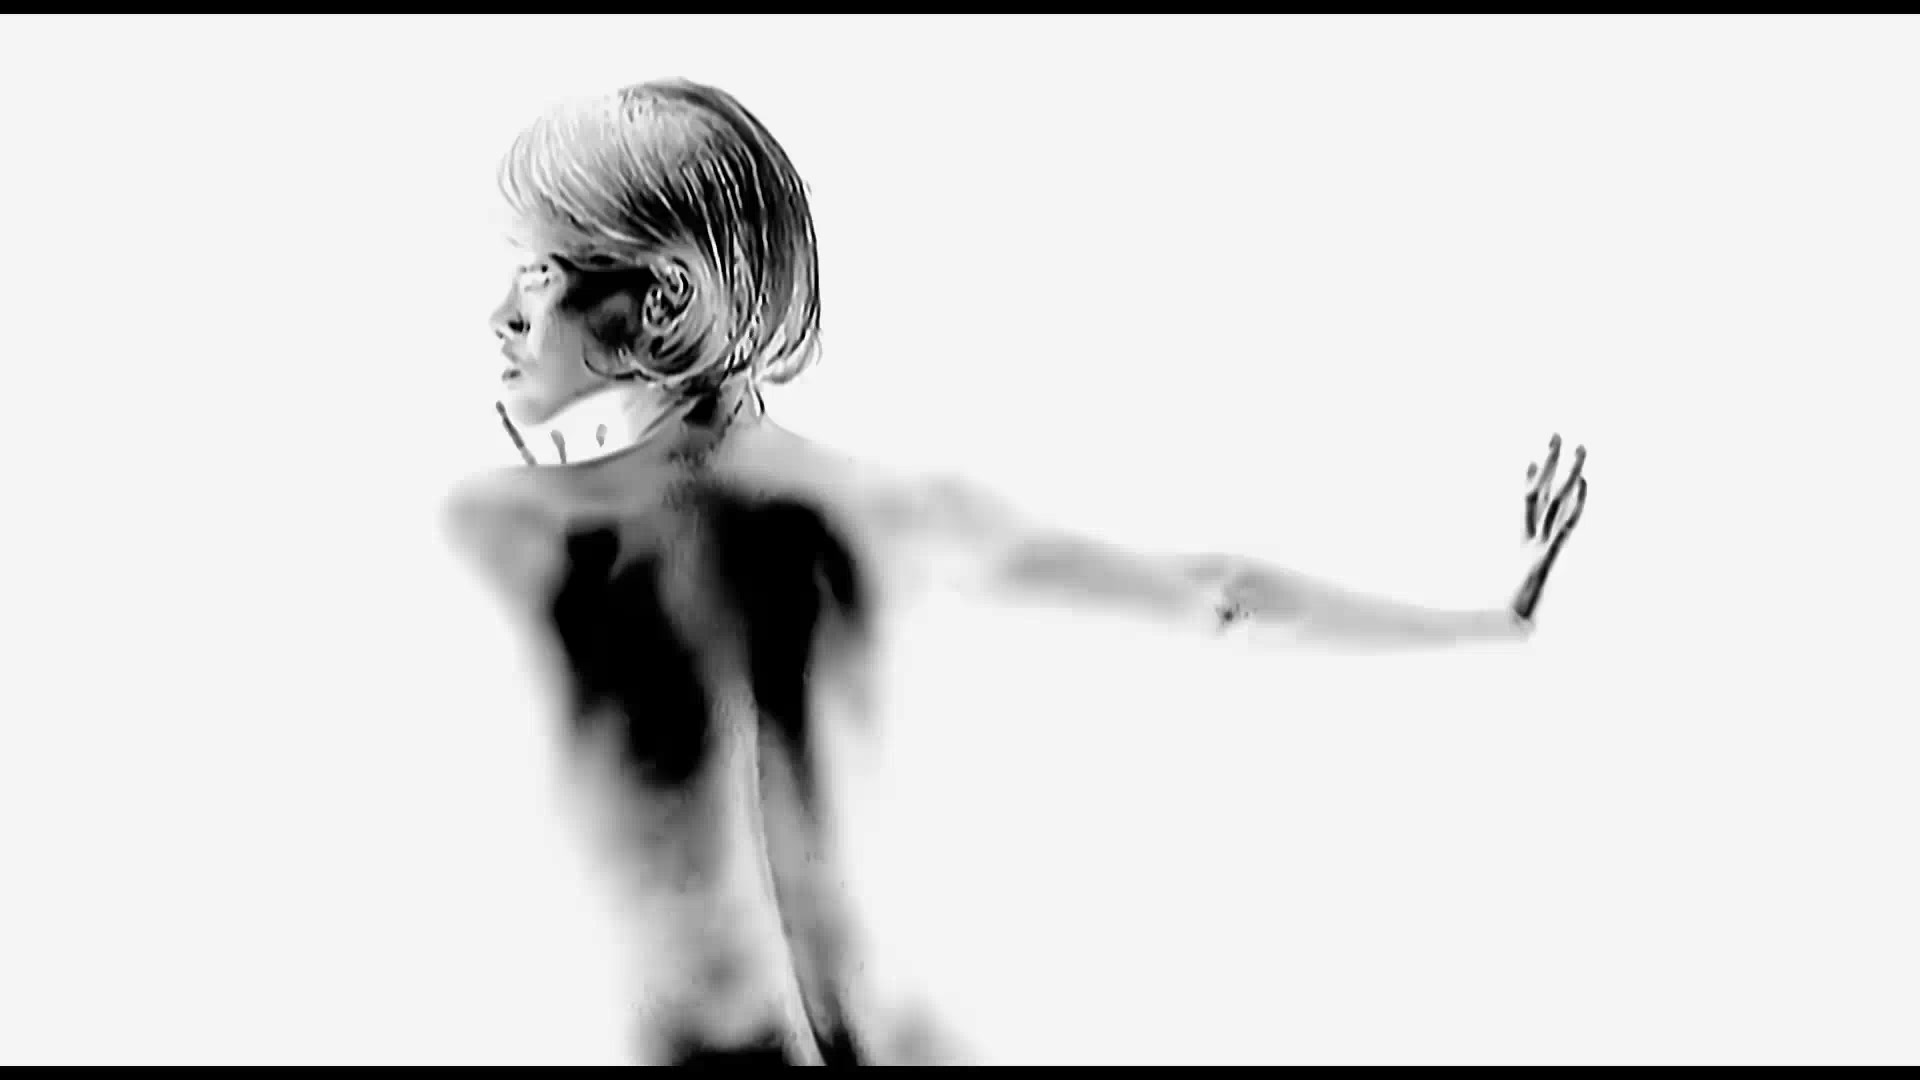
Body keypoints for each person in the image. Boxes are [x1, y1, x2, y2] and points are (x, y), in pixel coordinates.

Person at [443, 77, 1590, 1066]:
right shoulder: (872, 511)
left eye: (537, 275)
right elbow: (1220, 596)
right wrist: (1492, 621)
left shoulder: (540, 528)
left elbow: (776, 877)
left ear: (665, 299)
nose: (501, 316)